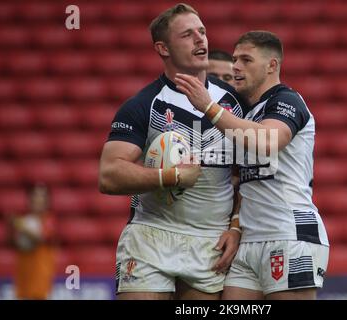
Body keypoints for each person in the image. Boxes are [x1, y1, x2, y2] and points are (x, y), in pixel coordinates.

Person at [98, 3, 245, 300]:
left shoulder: (236, 103)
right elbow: (109, 175)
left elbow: (251, 173)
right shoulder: (143, 104)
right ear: (163, 48)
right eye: (187, 35)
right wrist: (172, 176)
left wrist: (237, 226)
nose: (200, 39)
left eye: (202, 31)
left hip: (210, 241)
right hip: (151, 236)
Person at [174, 30, 329, 300]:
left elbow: (268, 141)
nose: (235, 67)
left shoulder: (287, 100)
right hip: (249, 239)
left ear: (272, 65)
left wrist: (209, 108)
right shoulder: (248, 111)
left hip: (288, 234)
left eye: (246, 60)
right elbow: (243, 181)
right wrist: (235, 226)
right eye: (234, 59)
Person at [10, 184, 56, 300]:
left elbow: (41, 237)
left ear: (47, 201)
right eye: (35, 196)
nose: (38, 200)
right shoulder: (25, 220)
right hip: (23, 282)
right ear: (29, 199)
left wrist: (20, 225)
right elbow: (14, 244)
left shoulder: (49, 220)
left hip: (40, 284)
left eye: (41, 197)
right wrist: (10, 228)